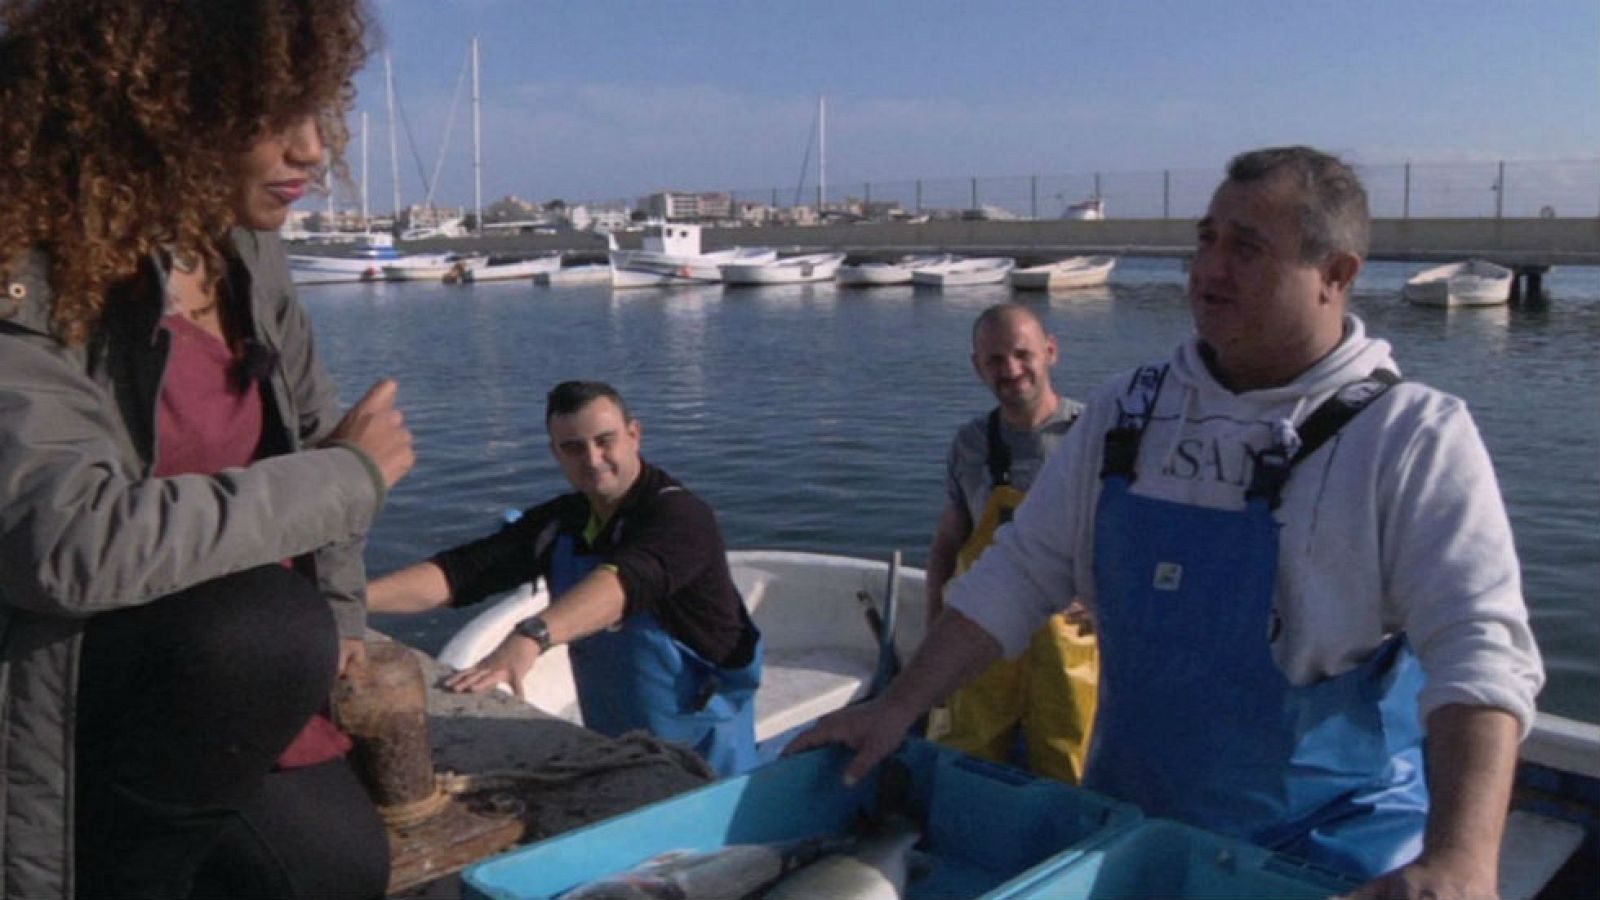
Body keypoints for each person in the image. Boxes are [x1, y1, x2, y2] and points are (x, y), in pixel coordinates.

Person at [791, 146, 1543, 898]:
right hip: (1132, 835)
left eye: (1247, 248)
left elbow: (1481, 648)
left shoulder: (1411, 434)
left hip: (1321, 854)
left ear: (1337, 276)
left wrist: (1462, 860)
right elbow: (1016, 576)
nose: (1209, 269)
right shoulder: (1128, 412)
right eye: (1206, 238)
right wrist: (895, 710)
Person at [0, 1, 412, 897]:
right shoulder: (26, 270)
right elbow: (68, 546)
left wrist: (341, 622)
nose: (311, 150)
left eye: (316, 109)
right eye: (270, 116)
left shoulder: (241, 252)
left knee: (340, 870)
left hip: (224, 683)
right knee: (262, 630)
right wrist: (350, 479)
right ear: (158, 108)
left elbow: (312, 430)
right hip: (69, 678)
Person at [369, 381, 763, 777]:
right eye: (573, 448)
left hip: (706, 749)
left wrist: (532, 636)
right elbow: (463, 572)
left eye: (604, 441)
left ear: (634, 435)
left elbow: (625, 582)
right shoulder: (564, 521)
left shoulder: (682, 518)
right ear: (555, 453)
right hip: (617, 740)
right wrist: (351, 598)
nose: (592, 460)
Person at [924, 303, 1096, 783]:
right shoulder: (969, 445)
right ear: (977, 365)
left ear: (1051, 351)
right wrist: (933, 635)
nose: (1011, 370)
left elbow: (1139, 541)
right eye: (995, 359)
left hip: (1071, 647)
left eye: (1023, 354)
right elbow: (947, 545)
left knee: (1072, 767)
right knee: (963, 762)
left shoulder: (1097, 435)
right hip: (982, 637)